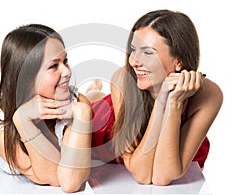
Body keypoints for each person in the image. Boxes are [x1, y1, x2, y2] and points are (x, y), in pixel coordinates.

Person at [90, 9, 223, 185]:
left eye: (148, 52)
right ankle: (93, 92)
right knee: (90, 104)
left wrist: (173, 102)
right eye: (133, 50)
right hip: (104, 127)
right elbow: (143, 175)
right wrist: (161, 101)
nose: (134, 61)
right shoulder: (123, 80)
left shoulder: (209, 95)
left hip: (161, 145)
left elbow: (162, 177)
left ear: (179, 62)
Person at [0, 24, 92, 193]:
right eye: (54, 66)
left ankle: (95, 91)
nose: (66, 71)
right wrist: (23, 120)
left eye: (65, 61)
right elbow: (53, 177)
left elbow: (71, 180)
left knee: (97, 106)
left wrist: (84, 112)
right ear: (26, 76)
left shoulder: (77, 103)